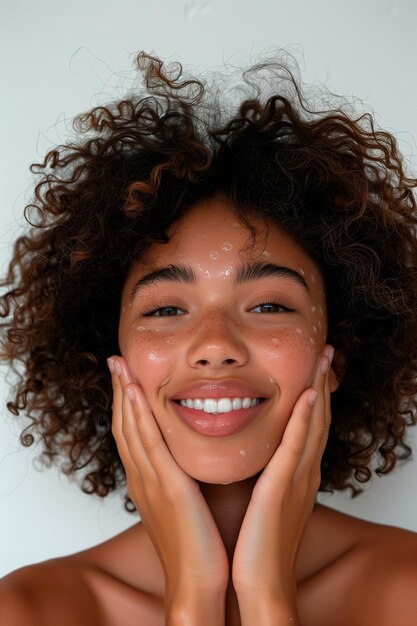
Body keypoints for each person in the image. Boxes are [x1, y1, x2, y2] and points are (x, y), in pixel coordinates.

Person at [1, 51, 417, 626]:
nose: (214, 344)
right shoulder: (31, 611)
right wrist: (193, 594)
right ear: (109, 356)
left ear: (337, 354)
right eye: (167, 308)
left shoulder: (406, 592)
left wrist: (267, 595)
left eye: (270, 305)